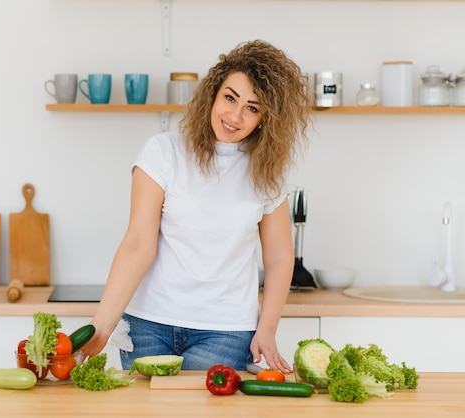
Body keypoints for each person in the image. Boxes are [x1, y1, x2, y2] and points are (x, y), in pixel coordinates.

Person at [83, 39, 311, 373]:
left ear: (266, 118)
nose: (234, 115)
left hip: (226, 331)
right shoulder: (162, 152)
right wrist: (101, 325)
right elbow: (137, 244)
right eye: (230, 98)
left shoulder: (267, 174)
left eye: (252, 107)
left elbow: (278, 258)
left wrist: (268, 328)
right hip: (149, 323)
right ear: (213, 94)